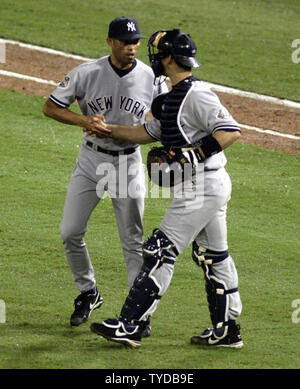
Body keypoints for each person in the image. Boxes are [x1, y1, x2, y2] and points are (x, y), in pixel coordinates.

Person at [89, 28, 243, 349]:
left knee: (160, 249)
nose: (154, 59)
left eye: (158, 53)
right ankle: (227, 330)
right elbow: (148, 132)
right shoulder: (171, 95)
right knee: (214, 256)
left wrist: (194, 153)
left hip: (203, 184)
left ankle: (131, 324)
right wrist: (108, 129)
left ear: (169, 57)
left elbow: (230, 130)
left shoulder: (197, 94)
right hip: (204, 184)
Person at [42, 16, 167, 332]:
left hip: (128, 164)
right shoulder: (86, 73)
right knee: (70, 231)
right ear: (110, 41)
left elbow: (165, 117)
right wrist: (83, 122)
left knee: (132, 240)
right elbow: (51, 107)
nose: (132, 47)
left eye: (135, 42)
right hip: (90, 162)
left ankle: (138, 314)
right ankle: (88, 292)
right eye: (126, 42)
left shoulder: (151, 78)